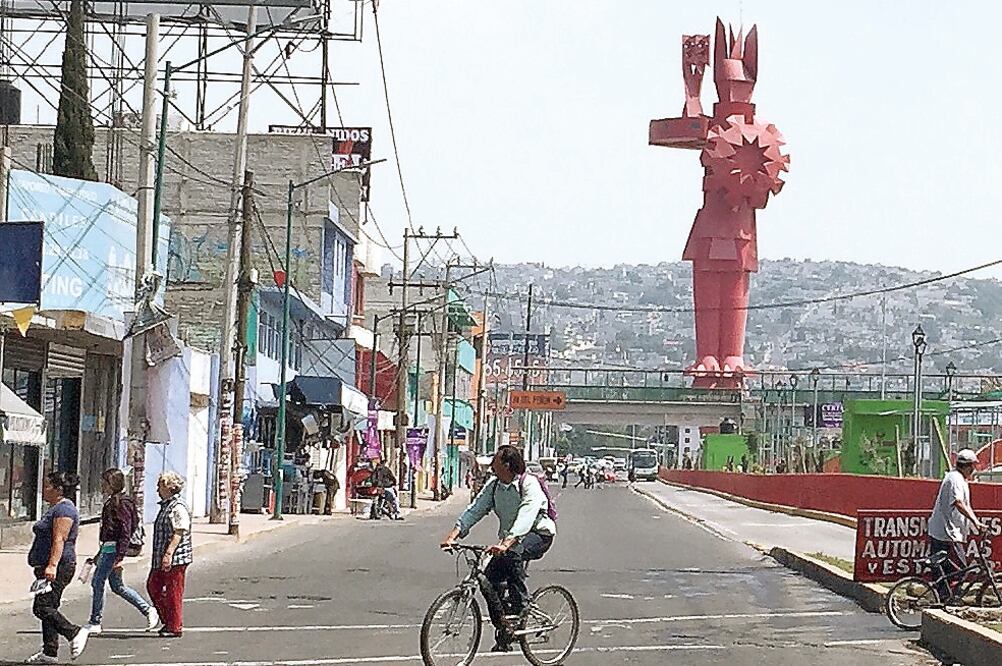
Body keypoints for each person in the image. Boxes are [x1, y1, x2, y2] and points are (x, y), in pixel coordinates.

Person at [441, 445, 556, 653]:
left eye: (496, 462)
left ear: (508, 465)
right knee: (488, 581)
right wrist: (454, 534)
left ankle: (521, 606)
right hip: (509, 541)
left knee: (512, 554)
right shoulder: (494, 486)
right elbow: (475, 510)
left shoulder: (528, 484)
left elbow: (526, 517)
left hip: (538, 534)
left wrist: (506, 543)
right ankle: (504, 626)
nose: (492, 467)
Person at [84, 469, 159, 635]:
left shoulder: (122, 503)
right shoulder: (113, 501)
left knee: (97, 582)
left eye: (105, 482)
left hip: (113, 550)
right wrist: (99, 554)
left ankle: (95, 621)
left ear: (112, 484)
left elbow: (126, 530)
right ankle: (148, 610)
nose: (102, 485)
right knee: (117, 586)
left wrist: (119, 556)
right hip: (108, 548)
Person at [26, 472, 89, 663]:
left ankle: (74, 632)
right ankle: (49, 652)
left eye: (47, 486)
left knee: (42, 607)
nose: (44, 490)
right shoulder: (55, 508)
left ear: (59, 490)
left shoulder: (65, 510)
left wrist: (52, 565)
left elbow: (59, 539)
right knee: (50, 606)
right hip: (46, 564)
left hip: (59, 565)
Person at [928, 448, 986, 601]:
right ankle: (949, 599)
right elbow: (959, 503)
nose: (974, 470)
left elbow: (965, 505)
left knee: (948, 570)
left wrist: (976, 522)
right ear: (968, 466)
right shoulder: (955, 479)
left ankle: (944, 599)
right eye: (973, 466)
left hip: (946, 531)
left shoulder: (958, 479)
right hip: (948, 533)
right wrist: (975, 522)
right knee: (959, 568)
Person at [147, 472, 193, 638]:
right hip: (161, 557)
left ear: (169, 488)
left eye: (160, 485)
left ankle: (174, 626)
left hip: (176, 557)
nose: (158, 489)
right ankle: (168, 619)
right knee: (154, 586)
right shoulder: (166, 505)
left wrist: (169, 554)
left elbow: (179, 532)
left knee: (174, 591)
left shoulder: (177, 507)